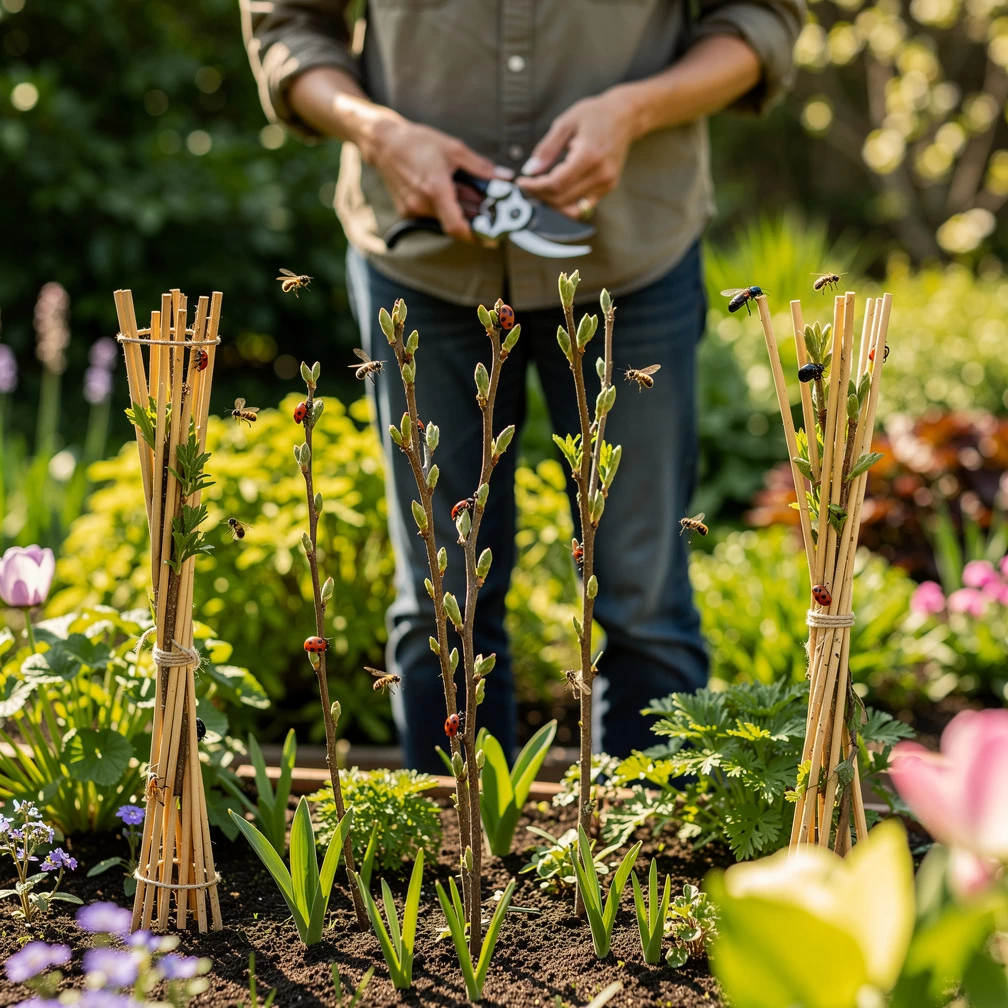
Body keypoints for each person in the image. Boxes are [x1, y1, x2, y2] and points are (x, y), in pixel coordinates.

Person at [241, 0, 804, 773]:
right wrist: (377, 130)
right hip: (421, 258)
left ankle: (642, 871)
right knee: (442, 600)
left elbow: (760, 19)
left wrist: (635, 109)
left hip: (630, 250)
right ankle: (461, 874)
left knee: (644, 598)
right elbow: (288, 25)